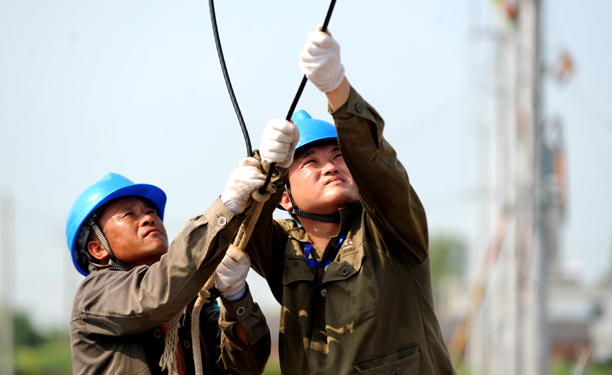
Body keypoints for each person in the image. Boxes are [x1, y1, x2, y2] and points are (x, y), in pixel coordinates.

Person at [242, 29, 458, 374]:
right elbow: (242, 224)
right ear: (284, 196)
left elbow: (378, 167)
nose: (329, 166)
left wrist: (336, 89)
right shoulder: (285, 250)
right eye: (309, 162)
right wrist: (265, 165)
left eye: (338, 155)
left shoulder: (388, 229)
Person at [65, 120, 298, 374]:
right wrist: (226, 207)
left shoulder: (193, 306)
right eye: (129, 214)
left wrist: (235, 296)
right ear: (97, 248)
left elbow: (246, 366)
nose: (148, 217)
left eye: (151, 211)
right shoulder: (94, 295)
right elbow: (157, 295)